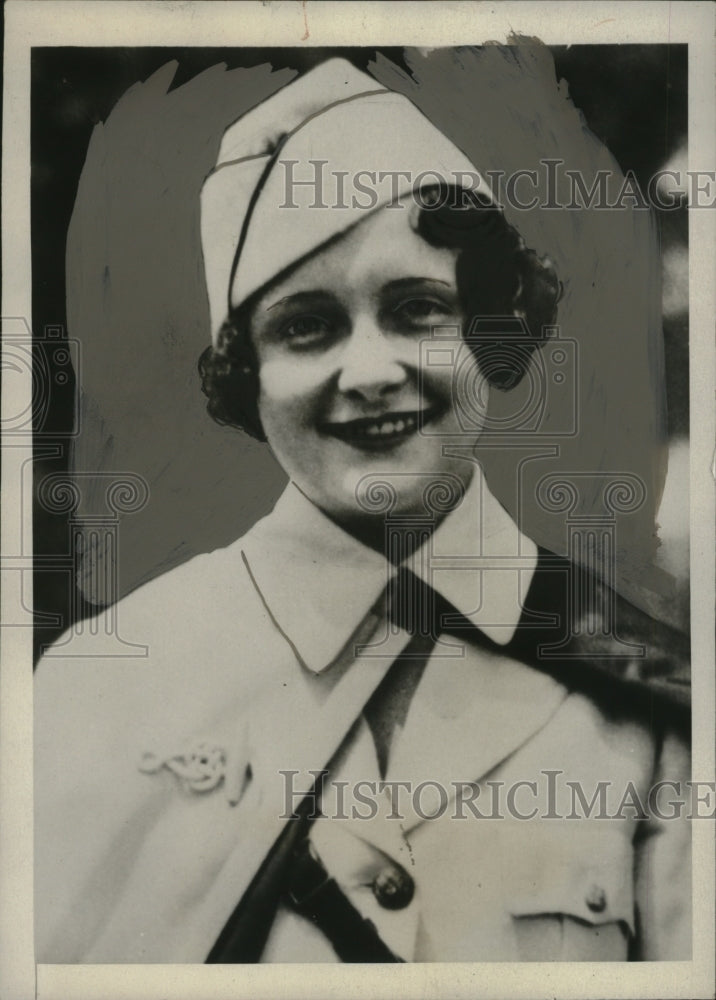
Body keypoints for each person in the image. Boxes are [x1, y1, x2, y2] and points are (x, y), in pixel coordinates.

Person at [35, 55, 690, 964]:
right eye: (307, 326)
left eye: (419, 310)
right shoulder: (99, 689)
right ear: (245, 376)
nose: (373, 373)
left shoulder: (654, 705)